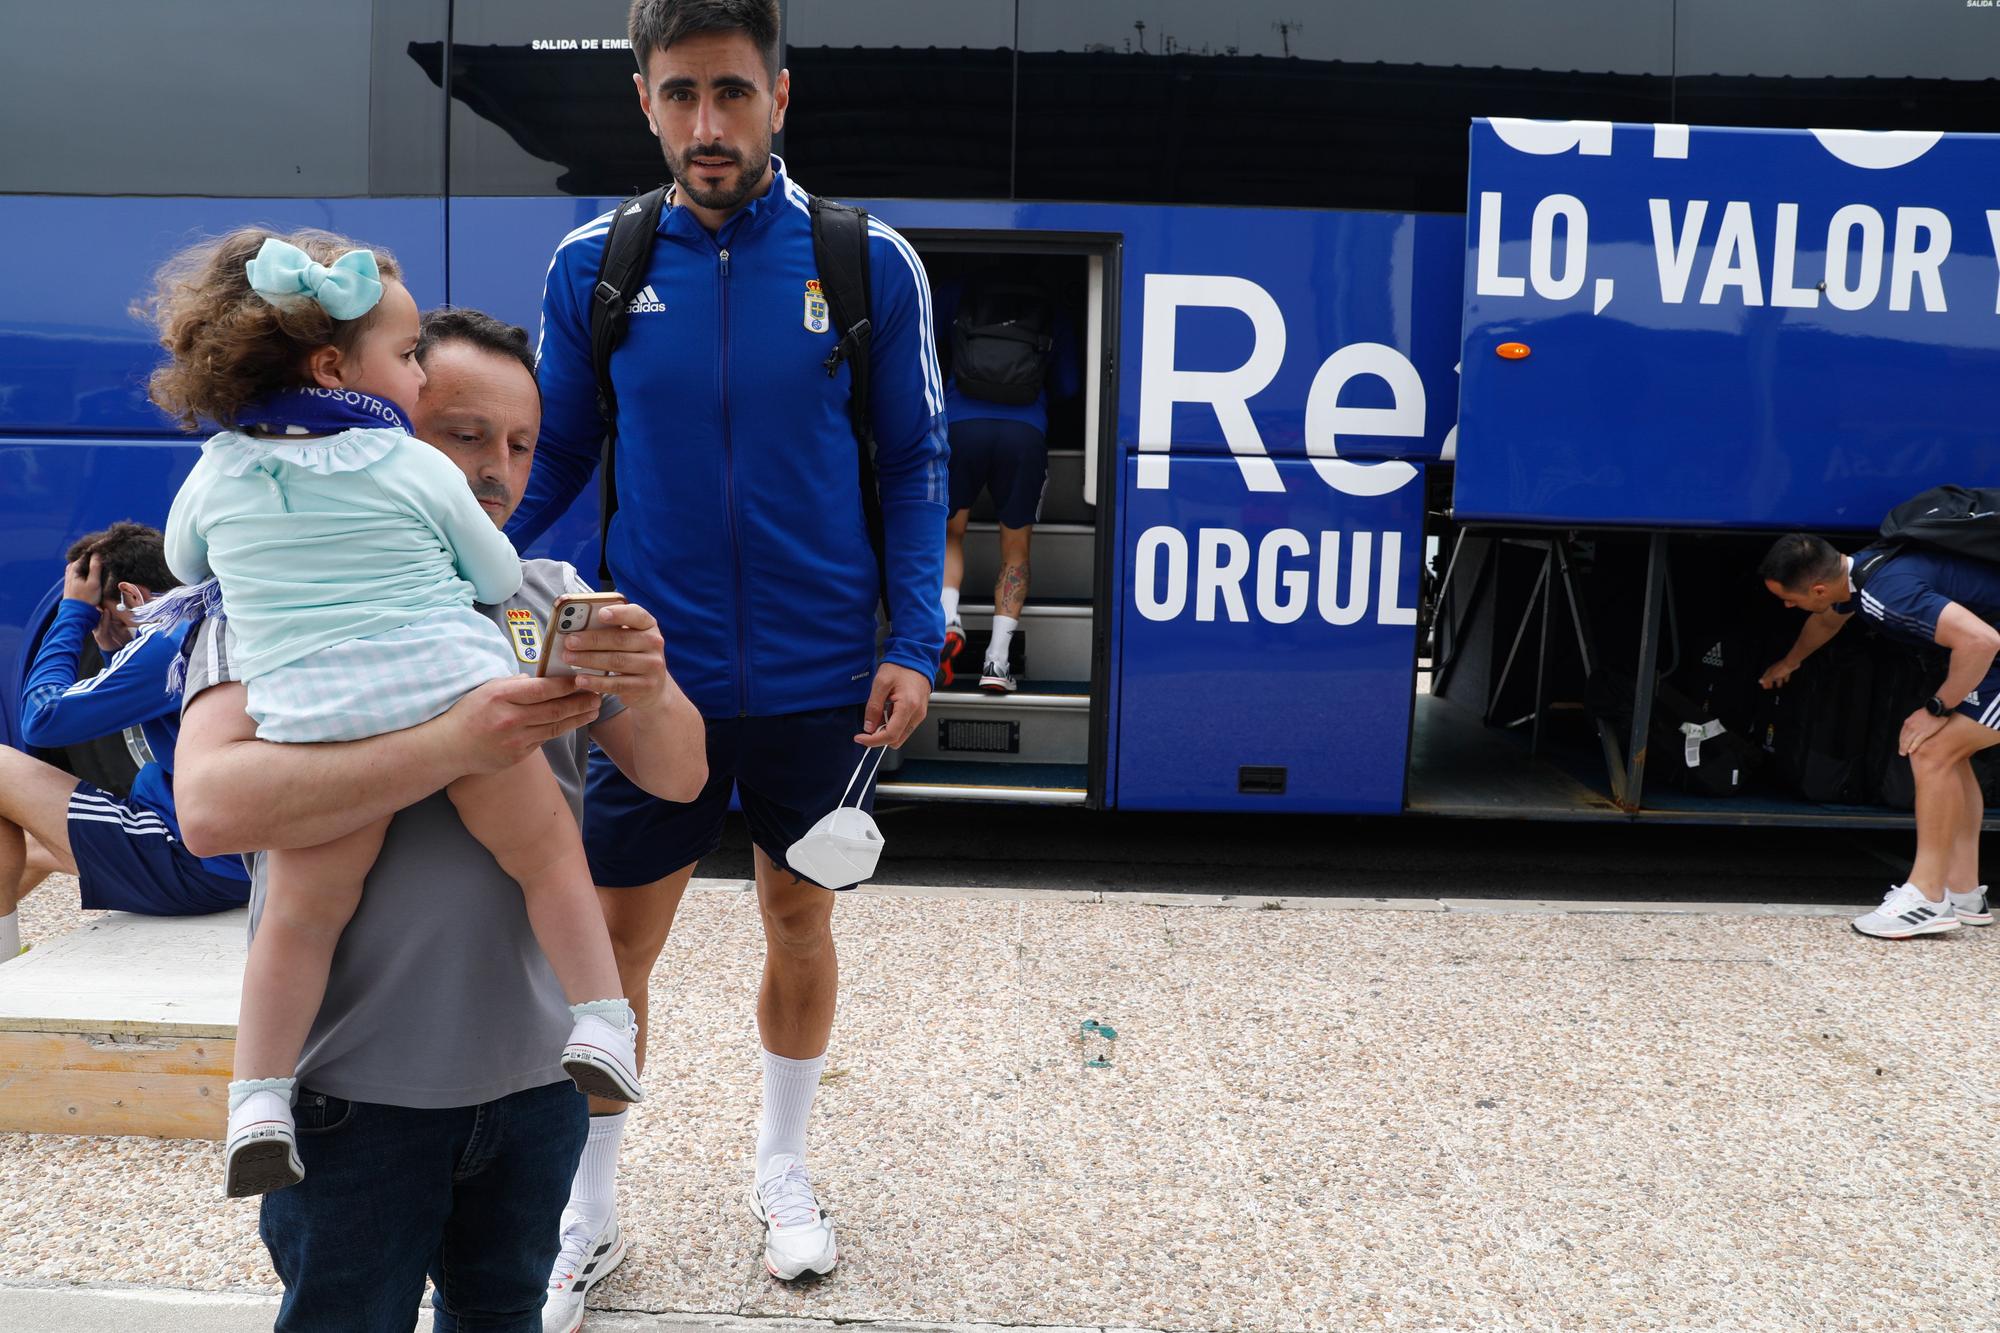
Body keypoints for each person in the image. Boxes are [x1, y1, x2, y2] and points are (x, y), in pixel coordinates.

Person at [509, 0, 948, 1294]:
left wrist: (914, 640)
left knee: (798, 917)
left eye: (735, 94)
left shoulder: (869, 262)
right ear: (645, 100)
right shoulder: (594, 262)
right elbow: (562, 460)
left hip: (822, 676)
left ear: (780, 97)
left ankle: (784, 1169)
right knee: (613, 945)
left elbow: (920, 464)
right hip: (651, 680)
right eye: (684, 94)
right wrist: (490, 593)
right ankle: (586, 1209)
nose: (710, 125)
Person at [173, 304, 705, 1331]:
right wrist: (457, 742)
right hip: (345, 1105)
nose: (497, 471)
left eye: (519, 444)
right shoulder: (270, 605)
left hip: (537, 1091)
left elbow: (679, 778)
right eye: (463, 435)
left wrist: (652, 685)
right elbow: (208, 809)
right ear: (379, 419)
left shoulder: (546, 599)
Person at [142, 228, 644, 1198]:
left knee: (297, 913)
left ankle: (256, 1096)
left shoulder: (221, 470)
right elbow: (495, 573)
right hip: (447, 684)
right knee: (545, 853)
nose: (414, 381)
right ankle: (605, 1021)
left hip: (314, 711)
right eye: (410, 358)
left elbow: (181, 560)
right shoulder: (408, 470)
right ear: (338, 366)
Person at [0, 523, 251, 961]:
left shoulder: (165, 637)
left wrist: (71, 614)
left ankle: (3, 969)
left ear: (132, 597)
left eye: (106, 615)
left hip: (200, 869)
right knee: (37, 843)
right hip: (236, 862)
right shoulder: (208, 621)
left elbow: (40, 720)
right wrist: (117, 649)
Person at [1759, 532, 1999, 938]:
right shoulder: (1865, 570)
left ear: (1818, 588)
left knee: (1930, 747)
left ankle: (1927, 897)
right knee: (1950, 754)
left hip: (1990, 654)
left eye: (1791, 599)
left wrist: (1936, 708)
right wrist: (1790, 662)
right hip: (1991, 662)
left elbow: (1981, 640)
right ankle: (1962, 891)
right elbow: (1826, 619)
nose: (1787, 606)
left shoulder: (1886, 594)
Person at [936, 266, 1080, 692]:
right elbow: (1070, 384)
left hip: (960, 425)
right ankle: (996, 664)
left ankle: (947, 620)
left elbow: (929, 351)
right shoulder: (1051, 298)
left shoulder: (956, 288)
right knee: (1015, 550)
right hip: (1025, 432)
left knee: (949, 533)